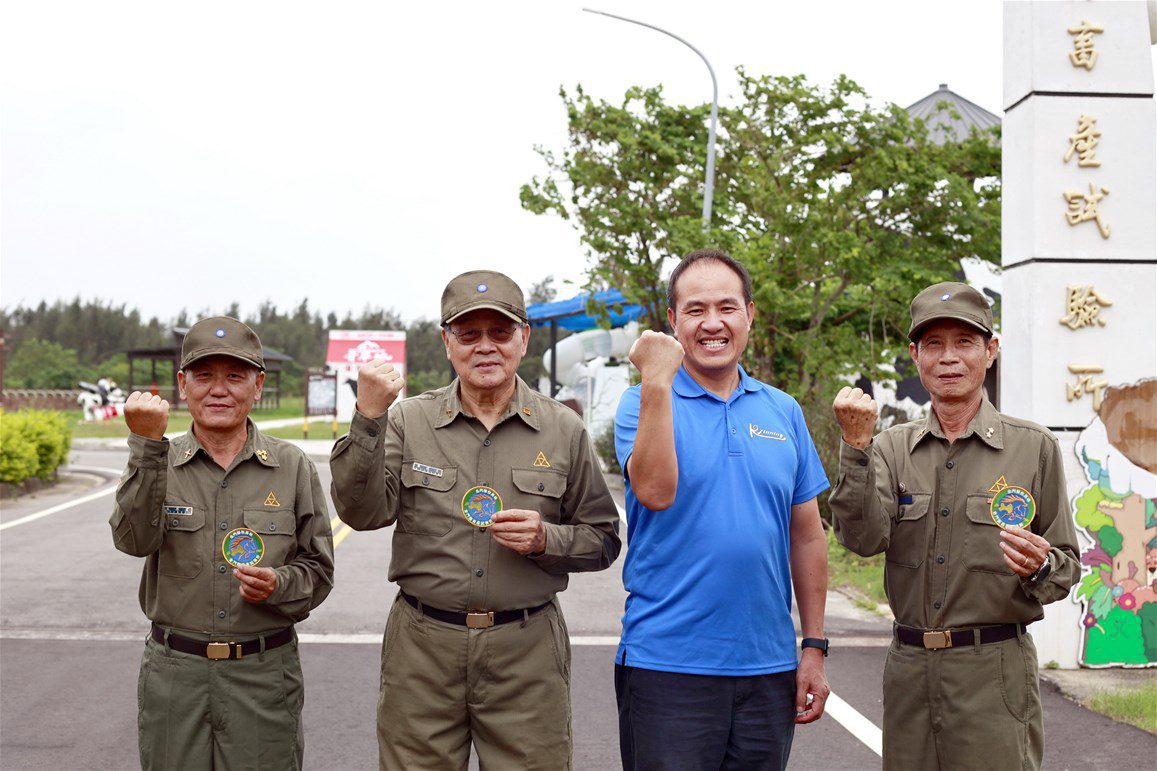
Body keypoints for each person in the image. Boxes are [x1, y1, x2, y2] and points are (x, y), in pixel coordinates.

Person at [329, 269, 621, 770]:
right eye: (469, 333)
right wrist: (367, 419)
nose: (485, 346)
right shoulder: (407, 421)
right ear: (447, 343)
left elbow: (603, 539)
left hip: (526, 650)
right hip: (423, 646)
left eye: (500, 332)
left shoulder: (563, 429)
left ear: (523, 339)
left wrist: (544, 538)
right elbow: (362, 512)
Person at [828, 282, 1080, 770]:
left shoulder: (1034, 448)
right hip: (909, 670)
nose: (949, 358)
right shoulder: (889, 448)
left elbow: (1066, 568)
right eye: (934, 344)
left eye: (965, 342)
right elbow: (862, 540)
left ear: (991, 351)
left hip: (995, 672)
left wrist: (1039, 566)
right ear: (915, 355)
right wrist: (855, 446)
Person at [613, 248, 832, 771]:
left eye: (727, 308)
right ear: (672, 321)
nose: (713, 323)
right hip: (668, 665)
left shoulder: (783, 410)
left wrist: (814, 647)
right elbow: (656, 490)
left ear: (749, 315)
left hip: (768, 668)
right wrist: (657, 382)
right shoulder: (639, 402)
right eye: (695, 310)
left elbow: (806, 535)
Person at [110, 316, 335, 770]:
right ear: (182, 385)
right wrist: (144, 444)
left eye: (234, 376)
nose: (218, 390)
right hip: (176, 674)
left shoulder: (291, 467)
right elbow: (133, 540)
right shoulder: (159, 460)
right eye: (204, 375)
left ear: (257, 386)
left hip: (263, 672)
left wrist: (278, 584)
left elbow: (319, 570)